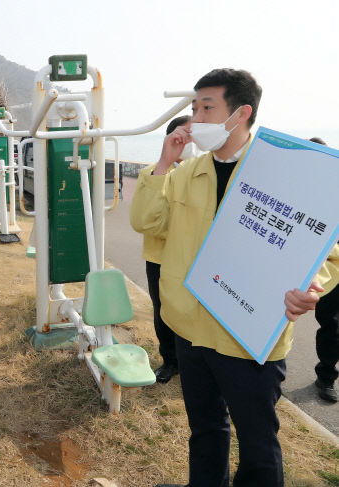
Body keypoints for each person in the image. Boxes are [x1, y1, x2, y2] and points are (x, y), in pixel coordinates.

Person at [131, 69, 339, 487]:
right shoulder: (186, 173)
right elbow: (144, 221)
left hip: (249, 336)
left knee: (259, 445)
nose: (196, 117)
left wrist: (310, 287)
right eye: (194, 108)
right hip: (190, 331)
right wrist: (164, 162)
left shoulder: (282, 173)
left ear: (241, 112)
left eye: (207, 107)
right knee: (206, 432)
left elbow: (327, 252)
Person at [131, 115, 193, 383]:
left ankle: (191, 363)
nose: (189, 141)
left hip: (193, 258)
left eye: (195, 135)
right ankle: (170, 361)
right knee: (163, 312)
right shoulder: (152, 173)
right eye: (184, 134)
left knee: (192, 312)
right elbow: (145, 221)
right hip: (159, 258)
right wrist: (166, 164)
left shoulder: (203, 176)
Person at [307, 136, 339, 402]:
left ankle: (326, 376)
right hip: (304, 269)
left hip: (332, 273)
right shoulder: (299, 190)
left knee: (333, 326)